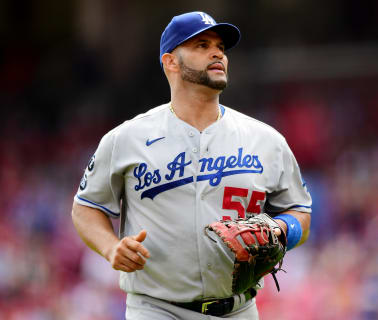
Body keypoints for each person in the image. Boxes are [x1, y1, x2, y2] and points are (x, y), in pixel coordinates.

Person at [71, 11, 312, 320]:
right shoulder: (126, 139)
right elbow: (85, 208)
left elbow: (300, 212)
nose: (217, 53)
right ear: (171, 61)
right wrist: (110, 247)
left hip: (239, 309)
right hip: (156, 308)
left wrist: (281, 229)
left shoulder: (267, 140)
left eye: (221, 47)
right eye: (201, 45)